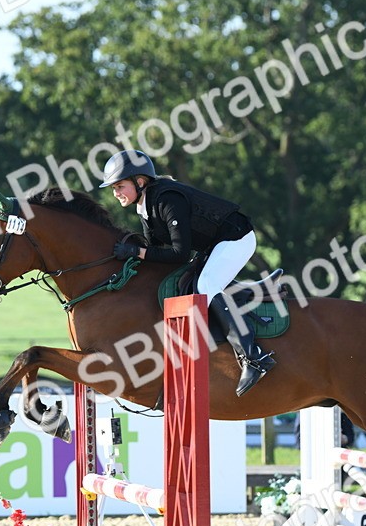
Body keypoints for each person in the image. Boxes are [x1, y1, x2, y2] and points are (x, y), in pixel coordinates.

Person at [99, 149, 274, 397]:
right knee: (186, 281)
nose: (115, 193)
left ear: (140, 182)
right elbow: (157, 252)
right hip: (214, 244)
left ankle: (254, 358)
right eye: (113, 188)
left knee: (205, 286)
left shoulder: (166, 199)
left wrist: (136, 252)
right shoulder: (145, 206)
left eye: (119, 186)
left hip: (237, 237)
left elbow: (179, 254)